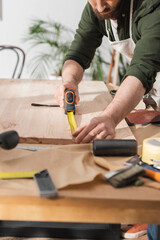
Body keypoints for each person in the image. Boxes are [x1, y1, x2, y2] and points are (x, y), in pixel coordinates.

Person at [55, 1, 160, 238]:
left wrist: (110, 116)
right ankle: (146, 215)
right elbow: (78, 52)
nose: (100, 5)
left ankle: (152, 222)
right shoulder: (97, 7)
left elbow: (144, 67)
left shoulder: (153, 7)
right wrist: (69, 81)